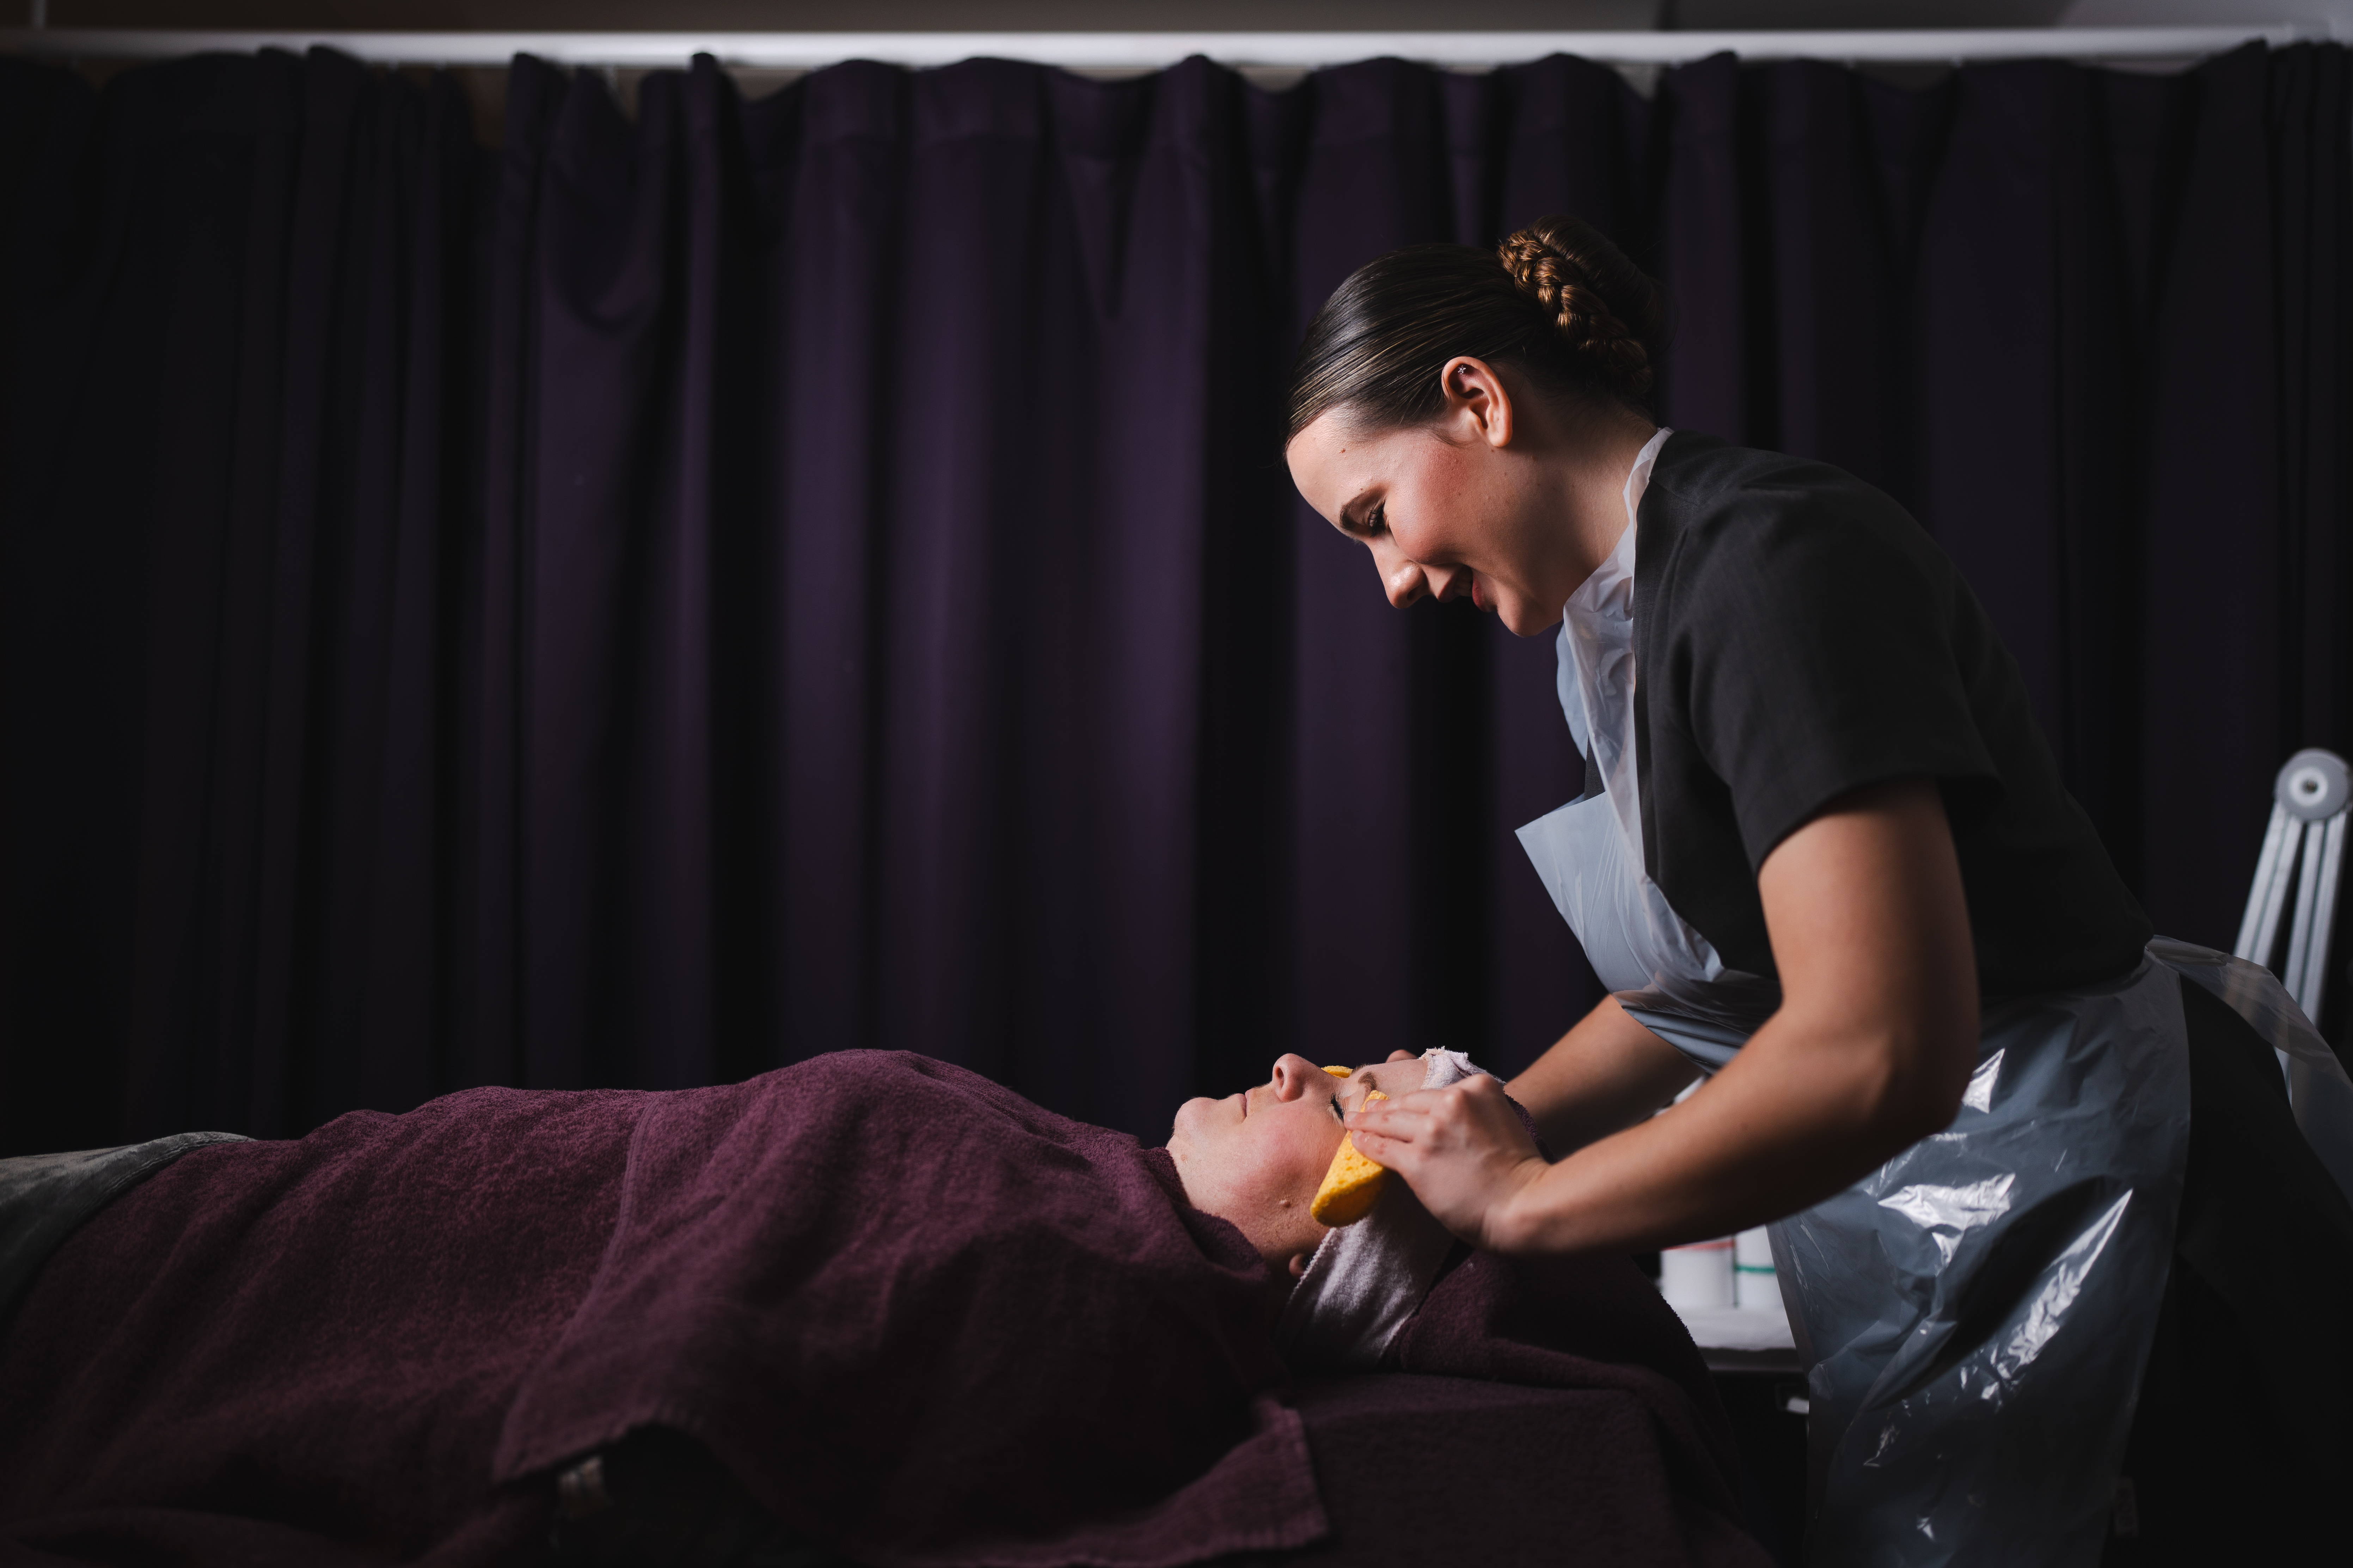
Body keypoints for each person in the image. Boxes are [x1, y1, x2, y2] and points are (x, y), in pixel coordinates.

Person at [1282, 213, 2353, 1567]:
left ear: (1476, 401)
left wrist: (1523, 1203)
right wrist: (1482, 1130)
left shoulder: (1765, 564)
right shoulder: (1623, 623)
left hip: (2134, 1214)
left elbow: (1878, 1045)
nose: (1390, 581)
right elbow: (1715, 990)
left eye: (1375, 517)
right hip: (2003, 1180)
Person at [0, 1047, 1755, 1568]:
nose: (1294, 1062)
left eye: (1348, 1092)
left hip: (132, 1269)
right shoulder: (1077, 1202)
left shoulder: (1104, 1276)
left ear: (1339, 1226)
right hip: (253, 1194)